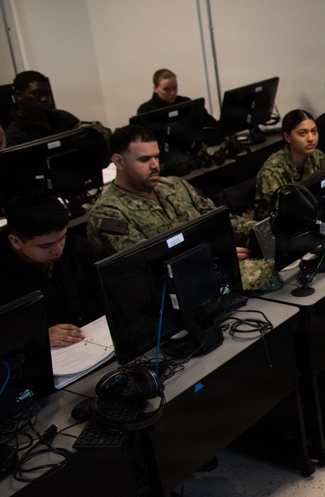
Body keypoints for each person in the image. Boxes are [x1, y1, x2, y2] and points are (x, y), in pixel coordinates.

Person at [87, 124, 277, 291]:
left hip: (213, 270)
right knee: (272, 279)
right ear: (119, 161)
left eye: (156, 157)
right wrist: (219, 254)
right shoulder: (108, 214)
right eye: (144, 159)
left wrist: (264, 229)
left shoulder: (174, 185)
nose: (155, 165)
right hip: (172, 291)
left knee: (280, 268)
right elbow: (149, 265)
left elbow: (218, 220)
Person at [0, 190, 103, 348]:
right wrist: (34, 336)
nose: (58, 250)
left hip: (93, 338)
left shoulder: (78, 248)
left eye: (62, 238)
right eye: (45, 245)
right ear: (15, 241)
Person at [253, 109, 325, 220]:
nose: (311, 138)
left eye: (314, 131)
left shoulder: (318, 157)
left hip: (314, 217)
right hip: (279, 226)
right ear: (287, 137)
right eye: (302, 133)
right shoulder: (272, 171)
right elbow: (284, 213)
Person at [4, 70, 80, 147]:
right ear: (19, 95)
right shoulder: (14, 135)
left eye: (47, 93)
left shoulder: (63, 117)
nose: (44, 99)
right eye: (37, 94)